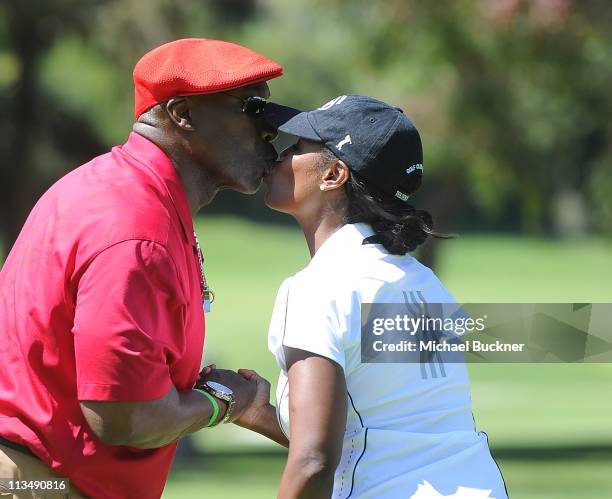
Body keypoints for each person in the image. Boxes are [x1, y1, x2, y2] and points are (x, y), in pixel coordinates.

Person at [0, 38, 283, 498]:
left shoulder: (123, 191)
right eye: (251, 108)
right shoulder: (136, 227)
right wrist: (223, 404)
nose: (269, 130)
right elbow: (124, 417)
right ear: (182, 114)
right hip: (37, 484)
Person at [229, 95, 509, 498]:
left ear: (334, 174)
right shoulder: (423, 282)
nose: (278, 155)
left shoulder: (319, 288)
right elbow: (381, 435)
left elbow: (313, 462)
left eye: (297, 148)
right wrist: (256, 413)